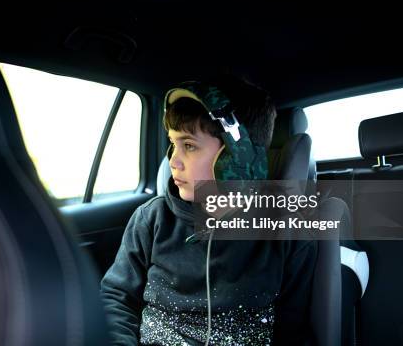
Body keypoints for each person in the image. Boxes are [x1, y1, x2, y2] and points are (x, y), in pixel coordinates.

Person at [101, 80, 317, 345]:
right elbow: (116, 298)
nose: (173, 161)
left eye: (189, 146)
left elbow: (293, 328)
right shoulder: (152, 219)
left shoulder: (288, 233)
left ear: (239, 156)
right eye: (173, 143)